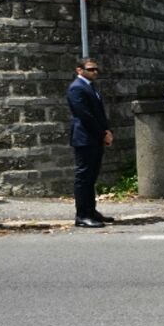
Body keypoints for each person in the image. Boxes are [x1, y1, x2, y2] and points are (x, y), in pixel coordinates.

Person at [67, 59, 114, 228]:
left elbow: (99, 113)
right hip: (85, 137)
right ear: (79, 70)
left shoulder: (90, 87)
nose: (95, 72)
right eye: (90, 69)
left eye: (96, 69)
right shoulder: (76, 88)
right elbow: (84, 115)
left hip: (95, 137)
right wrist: (102, 133)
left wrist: (107, 130)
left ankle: (91, 210)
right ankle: (82, 215)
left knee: (91, 176)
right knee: (84, 177)